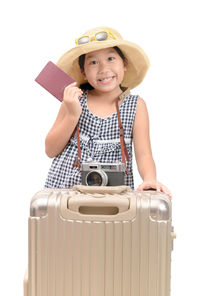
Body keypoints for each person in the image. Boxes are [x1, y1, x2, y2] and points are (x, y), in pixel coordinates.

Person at [44, 26, 172, 199]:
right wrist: (72, 114)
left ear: (124, 63)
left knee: (110, 228)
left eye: (111, 58)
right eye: (93, 62)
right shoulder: (73, 100)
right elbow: (50, 150)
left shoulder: (136, 105)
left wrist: (150, 179)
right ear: (83, 72)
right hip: (65, 192)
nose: (103, 68)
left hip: (114, 194)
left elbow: (144, 154)